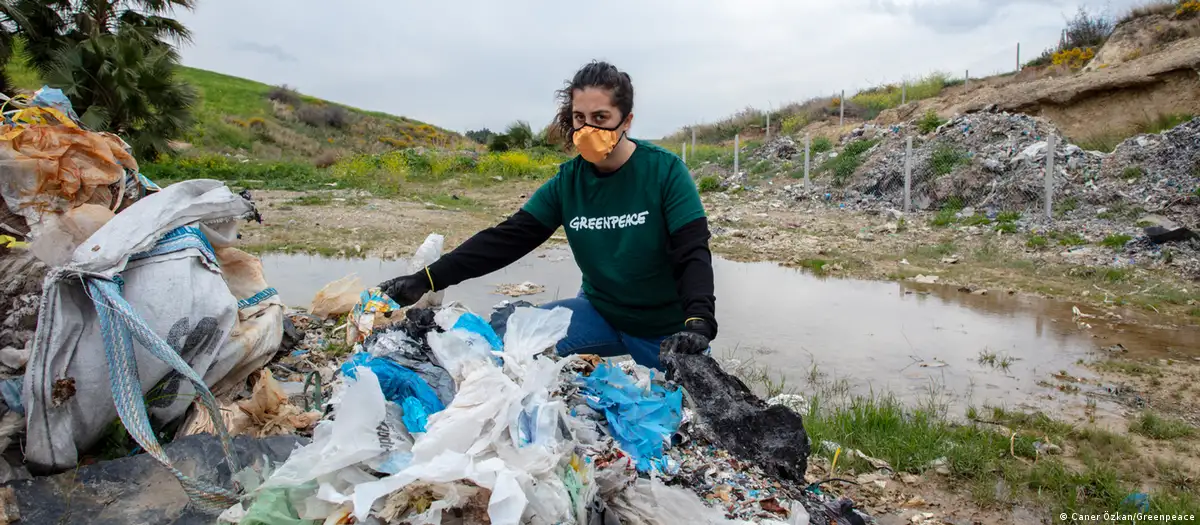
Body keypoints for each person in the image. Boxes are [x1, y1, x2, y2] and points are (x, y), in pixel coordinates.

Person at [379, 60, 716, 370]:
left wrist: (699, 321)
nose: (587, 129)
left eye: (601, 118)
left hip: (661, 329)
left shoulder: (665, 172)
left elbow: (693, 251)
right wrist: (427, 279)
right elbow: (507, 239)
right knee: (504, 337)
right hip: (601, 311)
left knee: (699, 408)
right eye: (580, 118)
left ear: (626, 120)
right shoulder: (568, 182)